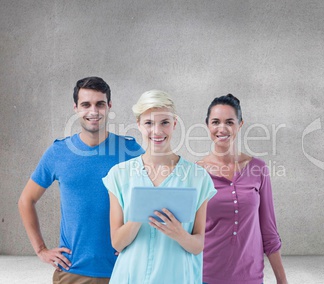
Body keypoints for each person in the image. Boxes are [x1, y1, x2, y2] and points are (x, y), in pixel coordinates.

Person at [18, 76, 144, 283]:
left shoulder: (130, 150)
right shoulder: (59, 152)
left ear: (109, 106)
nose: (93, 111)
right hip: (72, 272)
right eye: (86, 104)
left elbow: (154, 197)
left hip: (122, 271)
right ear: (76, 107)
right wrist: (40, 249)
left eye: (100, 104)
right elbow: (26, 200)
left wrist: (139, 245)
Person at [102, 90, 217, 283]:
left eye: (164, 122)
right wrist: (139, 215)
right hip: (131, 277)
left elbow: (198, 245)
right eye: (148, 123)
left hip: (177, 276)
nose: (157, 131)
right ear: (138, 124)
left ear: (174, 124)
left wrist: (179, 234)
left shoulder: (198, 177)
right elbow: (118, 243)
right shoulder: (119, 175)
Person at [198, 94, 288, 284]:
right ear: (207, 125)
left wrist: (282, 280)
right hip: (205, 276)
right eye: (215, 122)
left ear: (240, 125)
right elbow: (187, 230)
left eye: (229, 122)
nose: (222, 128)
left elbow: (269, 230)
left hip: (251, 277)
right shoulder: (195, 173)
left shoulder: (258, 169)